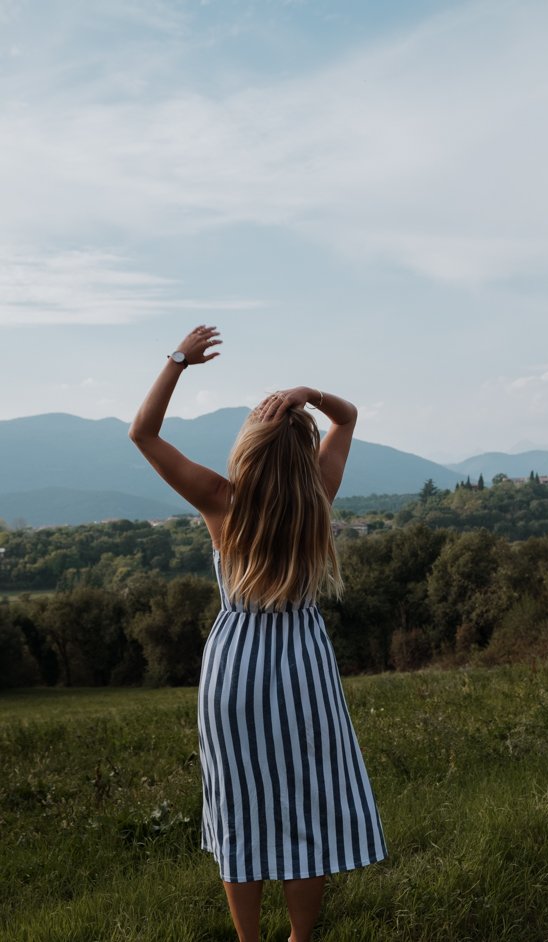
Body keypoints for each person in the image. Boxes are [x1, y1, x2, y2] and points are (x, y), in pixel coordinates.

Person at [129, 325, 387, 942]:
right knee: (310, 805)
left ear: (248, 446)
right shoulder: (317, 494)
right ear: (300, 448)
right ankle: (300, 939)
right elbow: (347, 421)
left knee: (242, 807)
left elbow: (143, 433)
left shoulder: (222, 501)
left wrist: (178, 361)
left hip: (234, 667)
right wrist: (310, 394)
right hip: (302, 661)